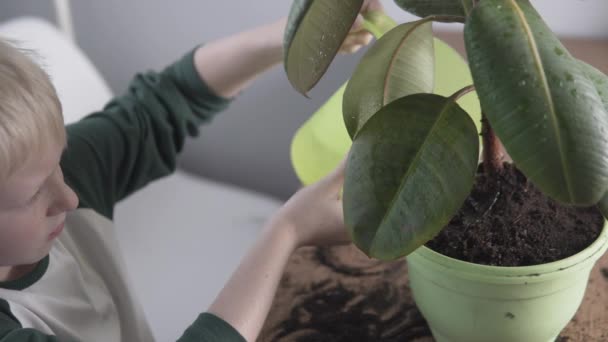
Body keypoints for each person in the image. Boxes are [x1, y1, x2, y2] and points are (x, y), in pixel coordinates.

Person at [0, 1, 382, 341]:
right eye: (34, 193)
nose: (70, 196)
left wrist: (291, 35)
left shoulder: (66, 176)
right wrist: (287, 231)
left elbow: (164, 103)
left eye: (59, 162)